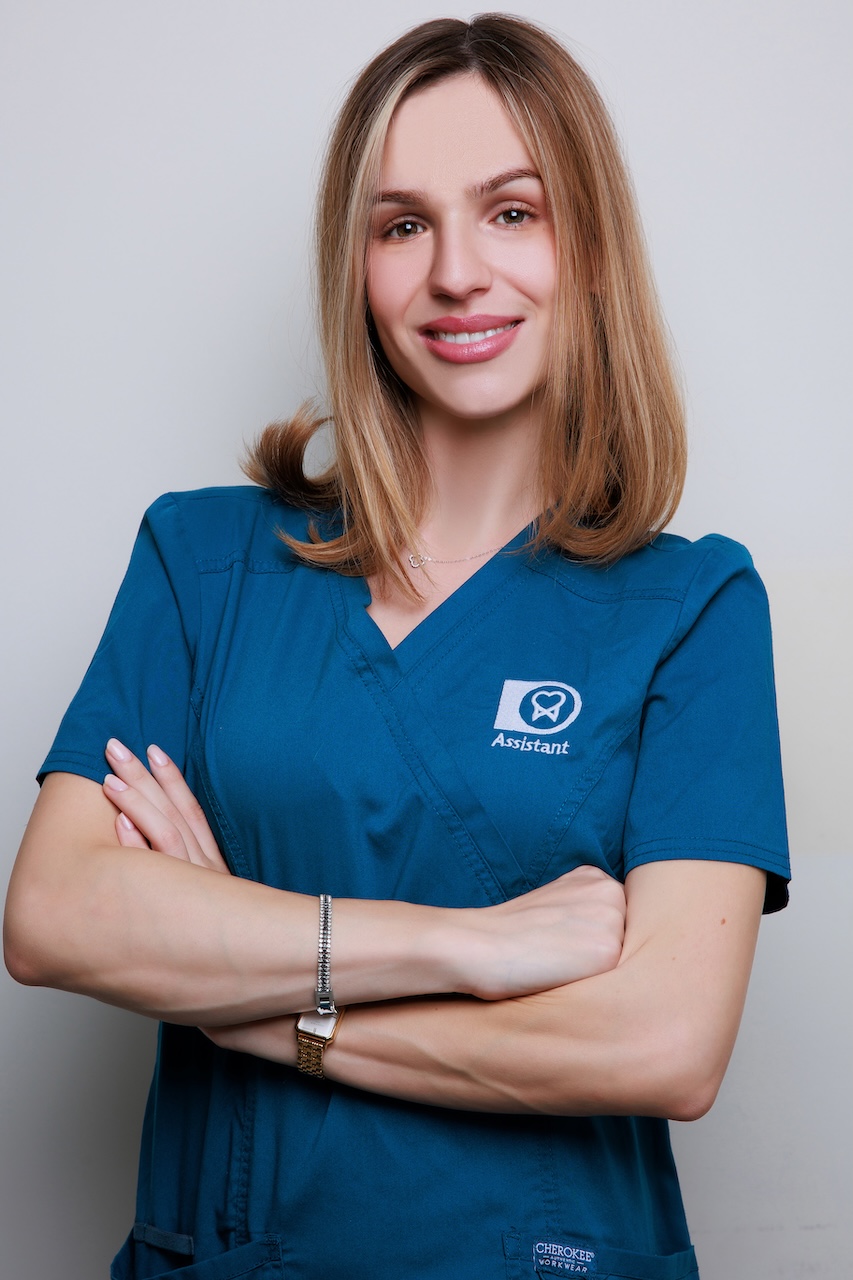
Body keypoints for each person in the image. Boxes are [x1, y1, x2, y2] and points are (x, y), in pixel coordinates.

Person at [4, 14, 789, 1280]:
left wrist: (260, 1004)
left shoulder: (691, 607)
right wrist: (465, 944)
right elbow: (53, 915)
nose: (457, 273)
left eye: (513, 213)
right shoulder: (202, 563)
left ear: (590, 251)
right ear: (355, 266)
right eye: (403, 225)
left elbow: (663, 1042)